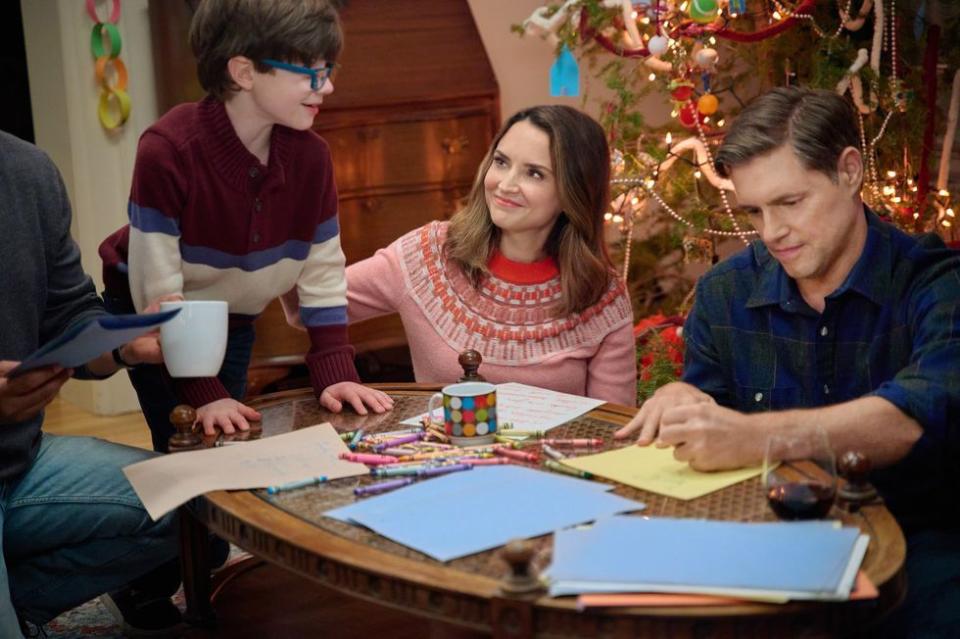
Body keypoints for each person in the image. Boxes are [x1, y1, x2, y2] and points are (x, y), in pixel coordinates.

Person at [615, 87, 959, 637]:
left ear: (849, 171)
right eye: (754, 210)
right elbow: (706, 441)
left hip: (919, 551)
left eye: (790, 202)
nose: (771, 232)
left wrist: (754, 438)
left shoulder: (936, 283)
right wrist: (684, 405)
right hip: (763, 543)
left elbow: (910, 419)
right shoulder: (725, 293)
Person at [99, 0, 393, 453]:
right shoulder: (168, 150)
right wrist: (202, 392)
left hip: (234, 315)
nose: (327, 86)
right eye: (310, 75)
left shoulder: (312, 158)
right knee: (191, 448)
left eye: (328, 69)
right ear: (244, 72)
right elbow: (156, 285)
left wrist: (334, 368)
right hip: (152, 319)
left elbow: (322, 269)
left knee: (231, 439)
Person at [0, 130, 181, 637]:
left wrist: (123, 345)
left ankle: (16, 607)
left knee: (194, 504)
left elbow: (69, 311)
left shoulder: (29, 171)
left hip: (21, 459)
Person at [343, 105, 637, 405]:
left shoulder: (602, 295)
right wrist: (336, 373)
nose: (505, 185)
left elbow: (614, 430)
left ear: (573, 192)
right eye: (501, 162)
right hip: (439, 451)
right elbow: (312, 303)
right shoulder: (428, 254)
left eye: (534, 173)